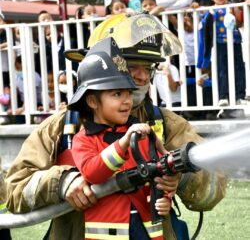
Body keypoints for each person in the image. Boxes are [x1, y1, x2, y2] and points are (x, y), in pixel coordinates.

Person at [5, 13, 227, 240]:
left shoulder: (167, 124)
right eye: (132, 66)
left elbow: (214, 185)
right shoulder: (62, 126)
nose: (142, 77)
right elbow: (15, 188)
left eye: (148, 67)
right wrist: (62, 182)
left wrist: (180, 175)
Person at [69, 37, 171, 239]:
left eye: (128, 93)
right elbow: (92, 173)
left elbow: (159, 172)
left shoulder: (141, 134)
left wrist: (166, 197)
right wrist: (123, 144)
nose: (127, 101)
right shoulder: (83, 140)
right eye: (117, 94)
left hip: (147, 232)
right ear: (91, 100)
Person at [208, 0, 247, 106]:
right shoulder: (210, 10)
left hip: (235, 41)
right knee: (222, 69)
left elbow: (239, 23)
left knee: (239, 68)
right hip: (220, 43)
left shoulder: (232, 6)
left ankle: (240, 95)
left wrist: (239, 9)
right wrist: (194, 6)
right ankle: (223, 96)